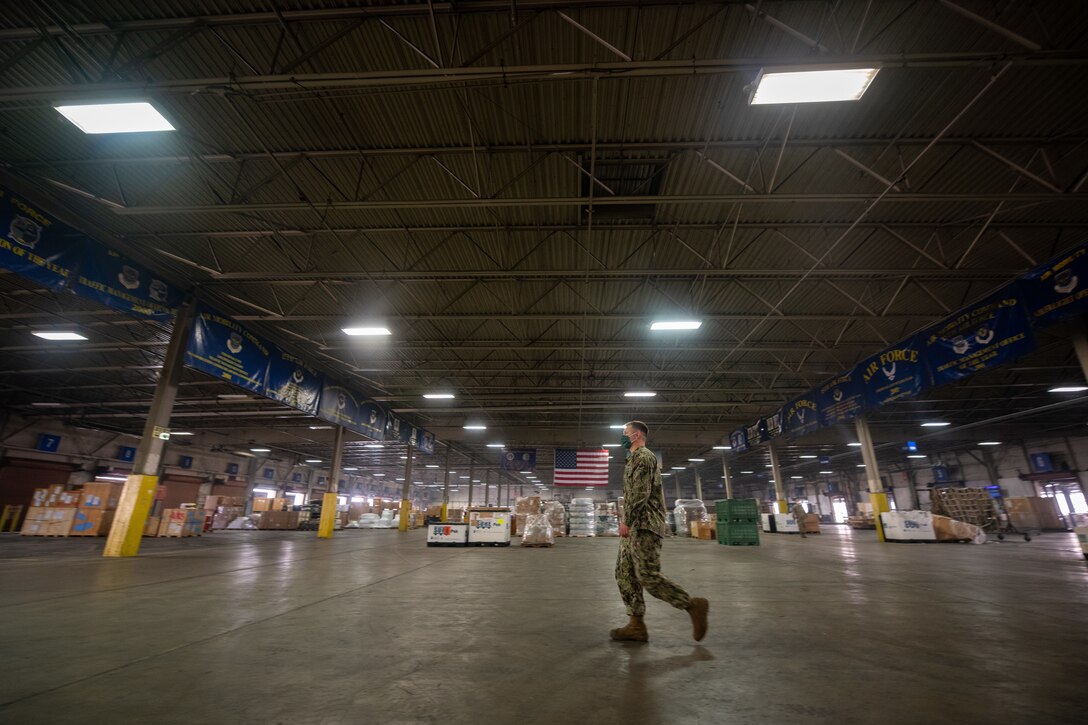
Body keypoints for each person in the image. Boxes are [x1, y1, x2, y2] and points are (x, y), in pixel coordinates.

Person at [611, 420, 709, 643]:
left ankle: (692, 605)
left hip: (645, 525)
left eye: (625, 433)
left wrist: (627, 519)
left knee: (647, 575)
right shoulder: (632, 459)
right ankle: (636, 625)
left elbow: (640, 493)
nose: (622, 437)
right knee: (625, 573)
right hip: (636, 526)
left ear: (636, 436)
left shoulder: (644, 457)